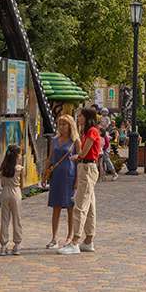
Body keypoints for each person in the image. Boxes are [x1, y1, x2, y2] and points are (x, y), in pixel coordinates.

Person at [59, 107, 102, 255]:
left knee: (80, 204)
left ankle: (75, 241)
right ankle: (88, 239)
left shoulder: (92, 131)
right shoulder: (89, 132)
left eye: (80, 116)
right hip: (87, 168)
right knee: (89, 205)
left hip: (87, 168)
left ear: (87, 117)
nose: (78, 119)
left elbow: (84, 152)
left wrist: (78, 156)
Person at [42, 115, 79, 249]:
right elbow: (50, 158)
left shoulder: (75, 141)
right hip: (56, 176)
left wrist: (77, 180)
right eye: (60, 124)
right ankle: (54, 237)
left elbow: (78, 162)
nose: (61, 127)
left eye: (64, 124)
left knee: (70, 208)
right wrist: (44, 175)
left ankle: (70, 236)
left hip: (70, 176)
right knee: (56, 206)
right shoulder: (55, 140)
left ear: (70, 126)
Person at [0, 144, 25, 255]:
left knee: (4, 219)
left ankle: (3, 245)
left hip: (5, 192)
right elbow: (21, 185)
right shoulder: (20, 169)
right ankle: (17, 244)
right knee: (16, 218)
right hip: (16, 192)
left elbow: (2, 184)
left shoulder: (3, 168)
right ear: (18, 156)